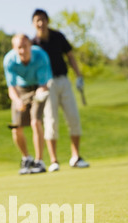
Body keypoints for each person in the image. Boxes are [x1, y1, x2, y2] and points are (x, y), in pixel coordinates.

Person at [32, 9, 90, 172]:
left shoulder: (58, 36)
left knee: (73, 118)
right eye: (37, 20)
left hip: (63, 80)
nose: (41, 23)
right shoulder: (33, 44)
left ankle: (76, 157)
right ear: (33, 23)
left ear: (48, 21)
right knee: (51, 121)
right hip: (46, 85)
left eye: (43, 19)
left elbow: (70, 56)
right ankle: (54, 160)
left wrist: (78, 76)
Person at [3, 34, 53, 174]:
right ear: (14, 48)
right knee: (16, 128)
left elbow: (43, 84)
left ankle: (39, 161)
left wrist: (39, 95)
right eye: (19, 47)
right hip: (20, 89)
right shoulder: (9, 60)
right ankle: (27, 158)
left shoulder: (41, 56)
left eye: (25, 46)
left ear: (30, 45)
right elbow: (11, 87)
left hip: (39, 87)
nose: (23, 50)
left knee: (35, 122)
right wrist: (17, 101)